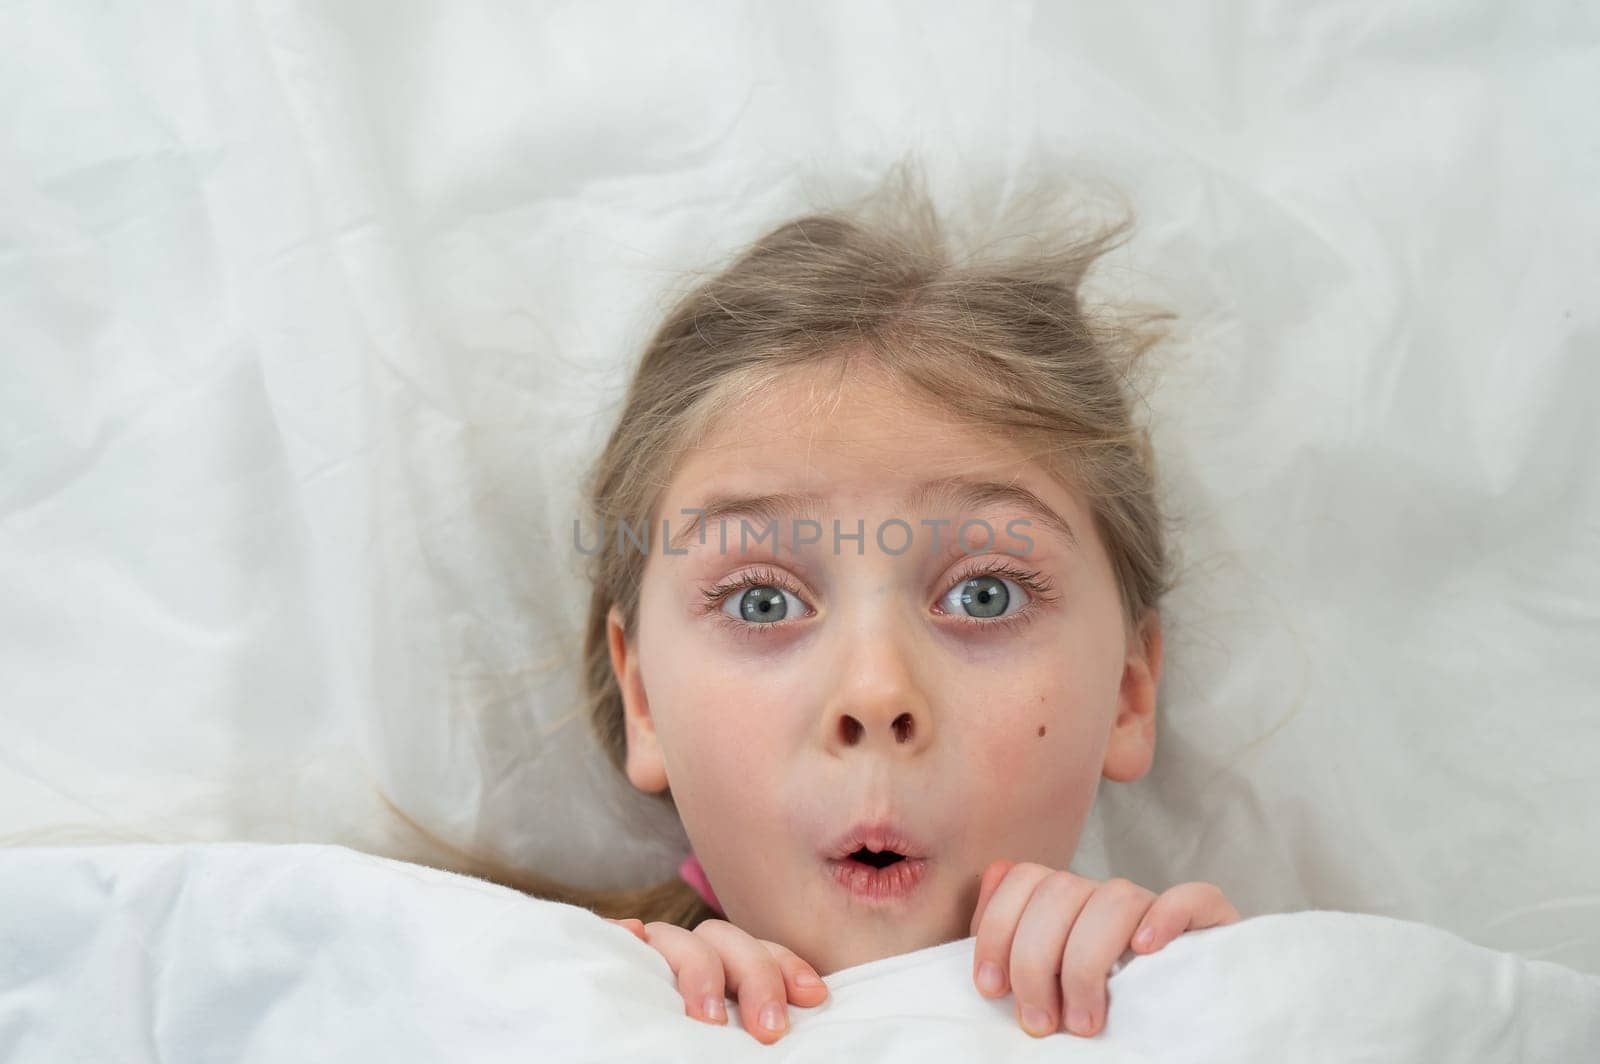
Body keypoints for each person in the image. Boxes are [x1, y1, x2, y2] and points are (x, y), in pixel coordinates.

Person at [516, 160, 1239, 1044]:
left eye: (984, 593)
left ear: (1130, 688)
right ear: (643, 702)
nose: (875, 693)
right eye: (761, 606)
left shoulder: (1198, 1001)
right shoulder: (513, 997)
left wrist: (1212, 1010)